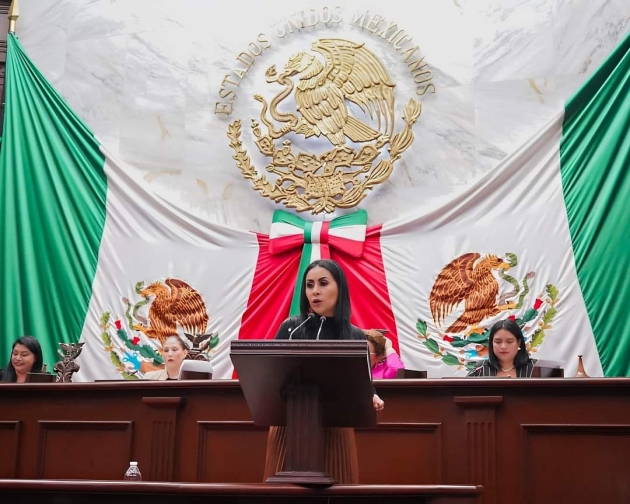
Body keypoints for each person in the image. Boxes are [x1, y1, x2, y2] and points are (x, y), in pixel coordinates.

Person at [264, 259, 385, 484]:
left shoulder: (355, 335)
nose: (315, 291)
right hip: (289, 427)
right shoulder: (290, 328)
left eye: (323, 283)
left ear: (340, 288)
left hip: (336, 428)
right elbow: (272, 379)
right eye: (309, 285)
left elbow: (364, 382)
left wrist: (373, 395)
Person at [467, 319, 536, 378]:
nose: (503, 346)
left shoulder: (537, 368)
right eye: (498, 342)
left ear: (519, 343)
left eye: (509, 341)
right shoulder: (480, 369)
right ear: (491, 344)